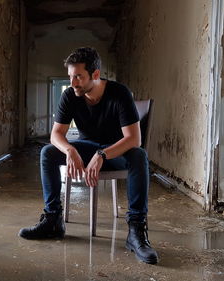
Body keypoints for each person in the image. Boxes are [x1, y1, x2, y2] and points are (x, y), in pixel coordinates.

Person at [18, 47, 158, 264]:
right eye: (70, 77)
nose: (73, 83)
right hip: (85, 147)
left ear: (95, 74)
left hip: (114, 150)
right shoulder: (70, 96)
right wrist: (70, 149)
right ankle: (53, 220)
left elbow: (133, 139)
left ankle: (136, 232)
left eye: (78, 77)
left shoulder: (120, 93)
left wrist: (103, 154)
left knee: (138, 155)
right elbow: (56, 134)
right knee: (48, 152)